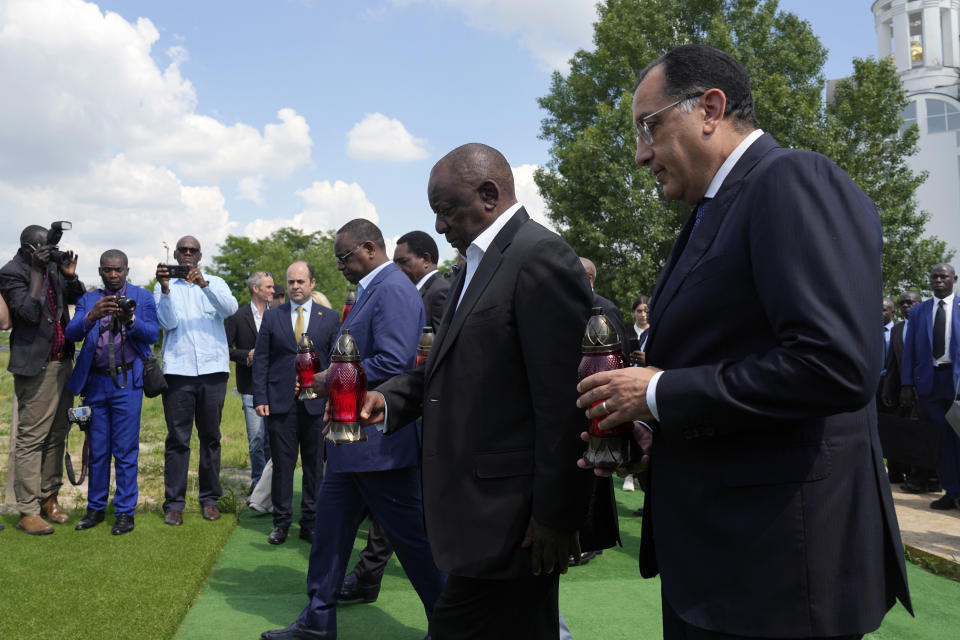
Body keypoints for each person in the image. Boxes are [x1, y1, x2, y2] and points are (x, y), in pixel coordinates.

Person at [575, 45, 911, 638]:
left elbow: (835, 366)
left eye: (648, 127)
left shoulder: (791, 180)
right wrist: (661, 430)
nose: (641, 153)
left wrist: (660, 394)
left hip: (778, 575)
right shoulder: (713, 211)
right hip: (724, 563)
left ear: (710, 108)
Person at [360, 144, 600, 639]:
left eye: (445, 210)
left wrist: (557, 515)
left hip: (513, 521)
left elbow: (563, 401)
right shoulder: (474, 265)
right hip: (478, 515)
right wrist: (390, 399)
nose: (440, 226)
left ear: (489, 195)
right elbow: (451, 367)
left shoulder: (540, 256)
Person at [261, 219, 445, 640]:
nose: (340, 266)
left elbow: (396, 363)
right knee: (329, 535)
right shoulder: (375, 291)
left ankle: (451, 622)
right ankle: (317, 621)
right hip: (351, 442)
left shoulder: (394, 290)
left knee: (415, 544)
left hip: (380, 443)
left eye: (344, 257)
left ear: (369, 249)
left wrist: (331, 379)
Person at [339, 229, 455, 601]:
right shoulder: (391, 289)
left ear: (426, 259)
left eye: (406, 262)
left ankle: (445, 614)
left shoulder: (424, 291)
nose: (401, 267)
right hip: (382, 416)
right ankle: (333, 602)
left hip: (401, 416)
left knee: (407, 525)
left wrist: (337, 378)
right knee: (382, 523)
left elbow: (424, 359)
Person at [65, 250, 159, 535]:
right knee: (98, 450)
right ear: (100, 271)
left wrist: (130, 320)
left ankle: (124, 513)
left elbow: (153, 334)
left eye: (118, 270)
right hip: (96, 383)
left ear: (127, 270)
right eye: (108, 270)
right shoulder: (89, 299)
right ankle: (94, 509)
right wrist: (91, 317)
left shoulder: (142, 298)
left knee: (126, 450)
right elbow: (71, 333)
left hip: (127, 382)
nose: (114, 274)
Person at [0, 225, 84, 535]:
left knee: (57, 435)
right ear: (28, 247)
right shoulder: (12, 272)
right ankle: (27, 510)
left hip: (63, 362)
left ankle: (50, 498)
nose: (47, 252)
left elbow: (77, 296)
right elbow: (28, 313)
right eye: (42, 247)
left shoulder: (52, 267)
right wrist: (38, 270)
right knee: (32, 439)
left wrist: (69, 274)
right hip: (38, 367)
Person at [253, 261, 339, 544]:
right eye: (291, 282)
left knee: (315, 466)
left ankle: (310, 522)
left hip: (317, 404)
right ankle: (281, 522)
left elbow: (336, 362)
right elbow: (262, 359)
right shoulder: (273, 316)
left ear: (312, 283)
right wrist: (261, 397)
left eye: (301, 281)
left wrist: (331, 394)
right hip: (280, 402)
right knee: (282, 465)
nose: (295, 287)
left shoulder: (330, 317)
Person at [154, 236, 238, 526]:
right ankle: (174, 503)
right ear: (176, 255)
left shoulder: (215, 281)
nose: (188, 254)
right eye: (183, 250)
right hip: (178, 371)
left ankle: (209, 499)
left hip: (213, 371)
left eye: (193, 250)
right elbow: (167, 323)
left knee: (211, 437)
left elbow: (230, 309)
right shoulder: (163, 286)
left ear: (200, 255)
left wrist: (205, 285)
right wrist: (165, 290)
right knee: (178, 439)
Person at [900, 263, 960, 510]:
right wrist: (906, 384)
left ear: (954, 279)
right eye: (934, 276)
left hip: (957, 383)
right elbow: (909, 352)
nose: (938, 280)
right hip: (930, 383)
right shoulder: (918, 312)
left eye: (943, 276)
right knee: (940, 440)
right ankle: (952, 491)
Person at [881, 291, 938, 491]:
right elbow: (892, 364)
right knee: (905, 432)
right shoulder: (897, 329)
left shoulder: (930, 326)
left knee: (926, 432)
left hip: (928, 390)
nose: (906, 306)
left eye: (911, 303)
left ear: (920, 304)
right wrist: (888, 389)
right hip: (903, 392)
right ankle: (912, 475)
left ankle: (929, 478)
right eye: (903, 303)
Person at [225, 271, 275, 492]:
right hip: (249, 387)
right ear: (256, 289)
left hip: (275, 387)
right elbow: (225, 349)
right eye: (269, 287)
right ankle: (258, 485)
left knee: (271, 440)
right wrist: (247, 356)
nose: (273, 291)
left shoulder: (279, 315)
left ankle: (272, 483)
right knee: (256, 439)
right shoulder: (237, 316)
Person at [394, 230, 452, 329]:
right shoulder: (417, 291)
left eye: (403, 261)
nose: (397, 269)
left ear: (426, 259)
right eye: (395, 264)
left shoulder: (441, 291)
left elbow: (444, 341)